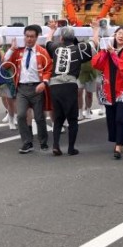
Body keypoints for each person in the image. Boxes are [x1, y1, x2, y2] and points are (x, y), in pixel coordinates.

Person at [44, 21, 95, 155]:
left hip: (55, 85)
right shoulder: (79, 48)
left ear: (61, 38)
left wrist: (52, 29)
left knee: (58, 117)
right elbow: (94, 43)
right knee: (72, 118)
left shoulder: (55, 47)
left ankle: (56, 145)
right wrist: (95, 29)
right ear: (74, 38)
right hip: (70, 85)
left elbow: (47, 41)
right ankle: (71, 148)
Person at [4, 25, 53, 154]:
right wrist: (11, 49)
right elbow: (6, 65)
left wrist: (44, 82)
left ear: (36, 38)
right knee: (20, 115)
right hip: (22, 89)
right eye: (27, 36)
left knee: (39, 117)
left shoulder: (42, 51)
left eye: (32, 36)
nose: (29, 39)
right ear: (24, 37)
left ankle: (43, 142)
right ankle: (27, 142)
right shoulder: (18, 52)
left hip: (37, 88)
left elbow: (49, 69)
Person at [92, 26, 123, 159]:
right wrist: (106, 52)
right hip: (107, 89)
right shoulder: (106, 49)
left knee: (120, 117)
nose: (121, 35)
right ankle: (119, 142)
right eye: (119, 33)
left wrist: (113, 54)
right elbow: (96, 64)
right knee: (111, 118)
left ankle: (119, 145)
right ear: (114, 35)